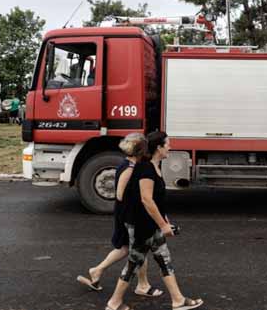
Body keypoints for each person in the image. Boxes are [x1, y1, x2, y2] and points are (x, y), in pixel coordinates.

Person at [105, 131, 203, 310]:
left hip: (151, 224)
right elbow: (146, 199)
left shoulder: (155, 166)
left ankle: (178, 300)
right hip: (142, 225)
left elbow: (156, 200)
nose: (170, 147)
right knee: (134, 263)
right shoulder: (146, 168)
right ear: (159, 147)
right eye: (168, 144)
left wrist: (165, 220)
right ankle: (114, 303)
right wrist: (164, 225)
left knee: (164, 259)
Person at [76, 133, 163, 298]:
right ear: (140, 150)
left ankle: (97, 270)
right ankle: (142, 285)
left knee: (125, 248)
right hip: (127, 215)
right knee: (138, 248)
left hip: (128, 214)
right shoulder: (129, 169)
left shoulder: (131, 164)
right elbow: (120, 195)